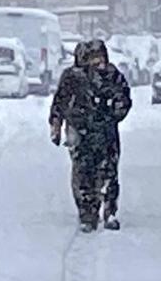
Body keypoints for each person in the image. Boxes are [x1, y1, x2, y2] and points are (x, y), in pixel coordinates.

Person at [49, 39, 132, 232]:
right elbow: (59, 102)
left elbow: (124, 97)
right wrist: (56, 125)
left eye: (100, 57)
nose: (97, 62)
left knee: (109, 172)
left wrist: (116, 111)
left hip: (106, 131)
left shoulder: (112, 75)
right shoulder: (72, 77)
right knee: (83, 173)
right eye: (92, 58)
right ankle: (87, 214)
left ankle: (109, 212)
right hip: (80, 132)